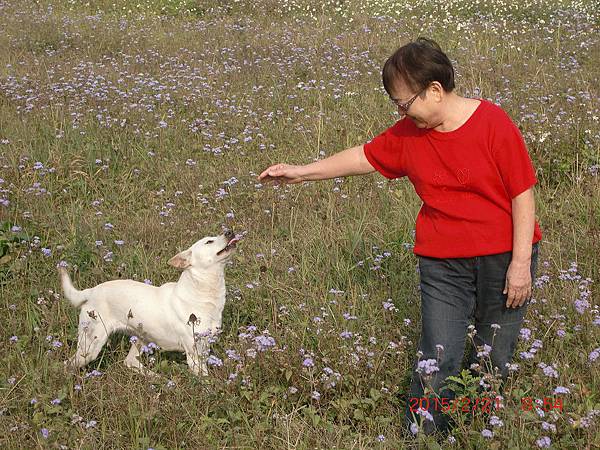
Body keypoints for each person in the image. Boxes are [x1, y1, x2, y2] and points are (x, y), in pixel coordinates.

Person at [258, 37, 541, 435]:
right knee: (437, 356)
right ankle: (424, 437)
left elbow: (521, 194)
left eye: (403, 103)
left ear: (436, 91)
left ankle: (481, 432)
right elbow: (363, 156)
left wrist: (520, 263)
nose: (400, 112)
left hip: (505, 258)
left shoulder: (494, 123)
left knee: (493, 358)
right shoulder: (410, 134)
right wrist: (300, 171)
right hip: (443, 262)